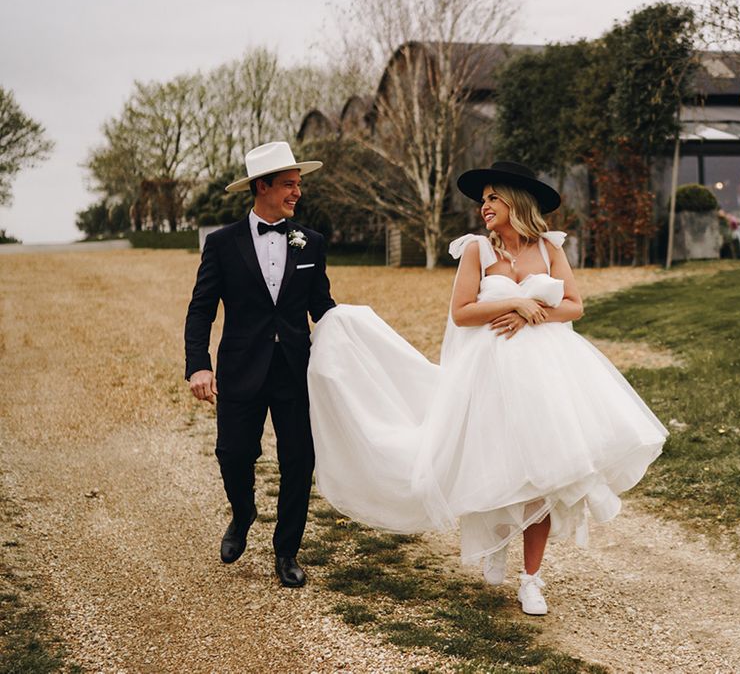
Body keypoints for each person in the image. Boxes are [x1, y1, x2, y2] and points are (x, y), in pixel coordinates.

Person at [307, 161, 667, 615]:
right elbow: (461, 312)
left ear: (516, 201)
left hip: (548, 374)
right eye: (482, 201)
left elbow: (574, 306)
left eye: (493, 198)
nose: (484, 207)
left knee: (545, 473)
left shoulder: (550, 249)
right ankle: (497, 542)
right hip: (490, 373)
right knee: (494, 462)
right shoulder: (477, 250)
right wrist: (513, 299)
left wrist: (528, 309)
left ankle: (531, 579)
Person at [184, 141, 335, 588]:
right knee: (233, 453)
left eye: (298, 185)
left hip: (294, 368)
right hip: (240, 366)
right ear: (262, 186)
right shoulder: (222, 244)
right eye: (289, 185)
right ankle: (243, 511)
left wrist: (353, 337)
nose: (297, 194)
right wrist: (199, 365)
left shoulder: (312, 242)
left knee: (298, 460)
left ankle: (286, 551)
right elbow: (201, 309)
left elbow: (322, 306)